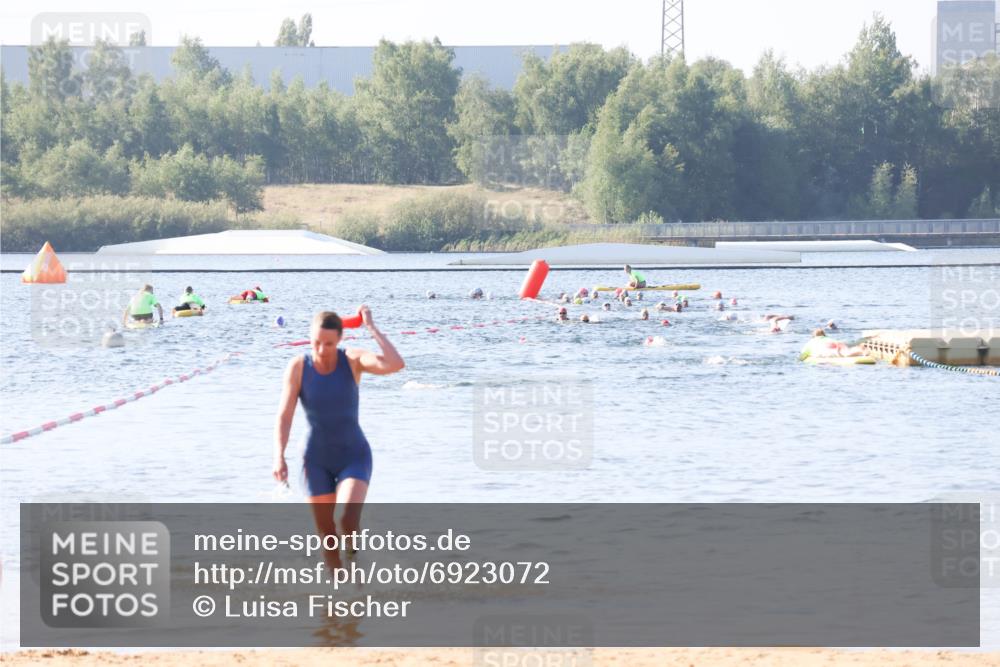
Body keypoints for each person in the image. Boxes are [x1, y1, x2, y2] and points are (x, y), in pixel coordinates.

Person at [273, 307, 404, 571]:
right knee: (327, 534)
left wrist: (371, 327)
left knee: (347, 520)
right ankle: (337, 593)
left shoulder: (352, 360)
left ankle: (355, 567)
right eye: (316, 342)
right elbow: (285, 415)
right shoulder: (299, 367)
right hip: (315, 459)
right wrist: (279, 456)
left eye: (329, 343)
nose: (321, 349)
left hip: (352, 455)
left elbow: (395, 364)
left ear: (340, 339)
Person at [799, 329, 866, 361]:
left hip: (826, 347)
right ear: (823, 334)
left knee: (844, 354)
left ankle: (860, 350)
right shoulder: (828, 338)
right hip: (837, 343)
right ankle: (859, 349)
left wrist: (800, 360)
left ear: (813, 336)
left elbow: (802, 356)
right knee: (846, 350)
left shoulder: (810, 342)